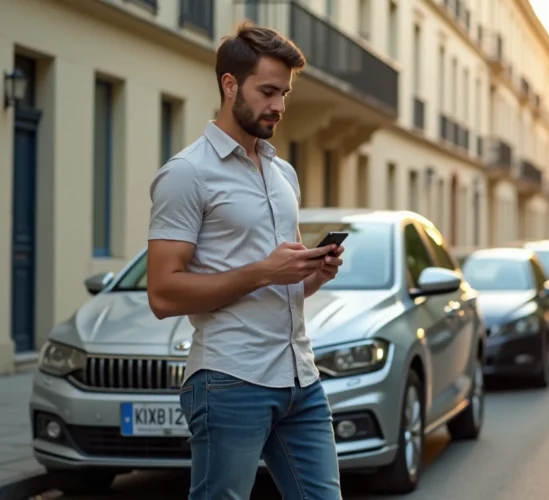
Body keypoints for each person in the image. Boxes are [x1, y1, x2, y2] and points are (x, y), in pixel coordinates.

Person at [146, 22, 344, 500]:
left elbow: (282, 283)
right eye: (268, 91)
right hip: (230, 381)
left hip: (300, 378)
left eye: (285, 94)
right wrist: (264, 271)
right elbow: (162, 293)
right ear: (229, 84)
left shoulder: (283, 174)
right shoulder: (187, 174)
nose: (278, 105)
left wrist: (312, 274)